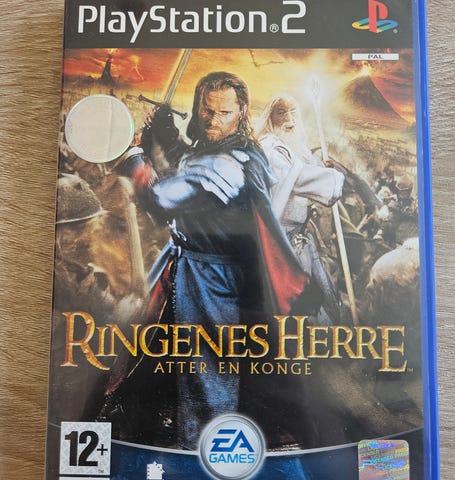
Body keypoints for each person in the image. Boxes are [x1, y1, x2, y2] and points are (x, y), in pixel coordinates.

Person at [112, 72, 314, 450]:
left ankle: (204, 452)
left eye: (224, 113)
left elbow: (162, 198)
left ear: (242, 112)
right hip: (191, 268)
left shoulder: (232, 162)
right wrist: (165, 133)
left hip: (212, 279)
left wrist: (135, 156)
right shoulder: (221, 150)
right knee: (162, 359)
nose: (212, 120)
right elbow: (190, 162)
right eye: (206, 110)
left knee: (208, 372)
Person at [256, 94, 345, 324]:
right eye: (281, 112)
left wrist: (322, 168)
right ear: (270, 118)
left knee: (324, 298)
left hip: (301, 238)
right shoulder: (270, 148)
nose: (289, 119)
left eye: (293, 111)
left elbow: (304, 167)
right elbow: (296, 177)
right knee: (294, 308)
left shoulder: (296, 148)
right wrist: (333, 179)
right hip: (279, 242)